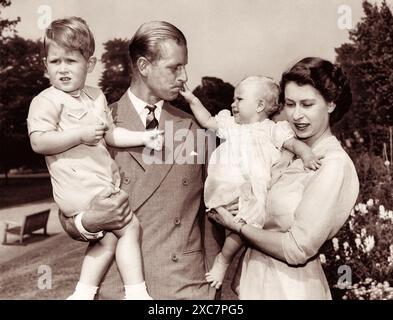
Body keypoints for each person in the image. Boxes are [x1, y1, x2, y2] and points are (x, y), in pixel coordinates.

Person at [58, 21, 224, 299]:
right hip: (118, 287)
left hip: (186, 287)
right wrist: (88, 221)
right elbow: (68, 205)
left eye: (184, 66)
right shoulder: (96, 126)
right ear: (144, 66)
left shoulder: (195, 128)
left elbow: (211, 213)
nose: (183, 76)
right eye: (175, 67)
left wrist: (210, 285)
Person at [27, 17, 164, 300]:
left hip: (99, 185)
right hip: (79, 188)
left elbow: (110, 135)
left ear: (89, 65)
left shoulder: (95, 96)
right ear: (45, 66)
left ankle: (82, 294)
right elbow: (39, 141)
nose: (62, 69)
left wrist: (143, 137)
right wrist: (79, 135)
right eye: (55, 62)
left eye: (71, 61)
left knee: (110, 239)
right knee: (130, 227)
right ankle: (137, 293)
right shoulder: (46, 100)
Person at [207, 57, 359, 299]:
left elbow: (297, 249)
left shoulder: (333, 164)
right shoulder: (284, 150)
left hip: (291, 288)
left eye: (307, 104)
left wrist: (236, 225)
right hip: (253, 282)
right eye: (290, 104)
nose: (297, 115)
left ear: (330, 104)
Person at [180, 76, 322, 289]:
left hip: (253, 189)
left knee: (246, 225)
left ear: (260, 105)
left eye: (239, 99)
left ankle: (224, 261)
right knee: (223, 218)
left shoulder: (272, 130)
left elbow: (293, 145)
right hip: (225, 185)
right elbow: (207, 120)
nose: (232, 104)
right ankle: (236, 268)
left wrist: (308, 155)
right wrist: (191, 99)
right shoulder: (230, 125)